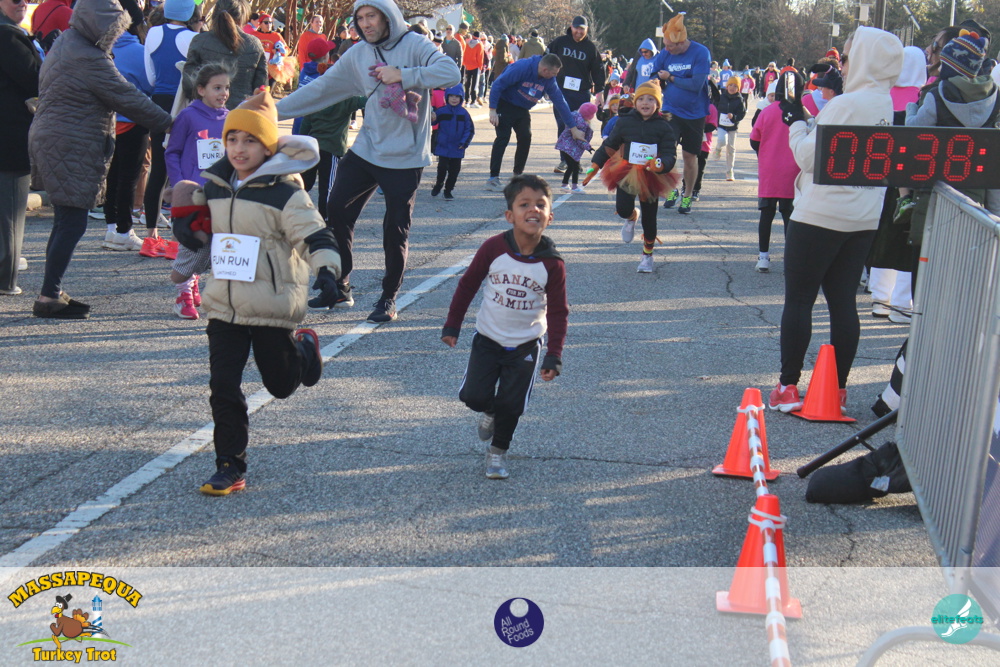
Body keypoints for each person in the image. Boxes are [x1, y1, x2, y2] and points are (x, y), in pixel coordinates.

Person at [275, 0, 460, 323]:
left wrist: (403, 74)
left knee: (395, 230)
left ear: (387, 17)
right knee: (337, 210)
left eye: (371, 16)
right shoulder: (358, 54)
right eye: (360, 18)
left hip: (405, 157)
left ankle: (388, 298)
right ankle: (341, 284)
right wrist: (270, 112)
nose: (365, 23)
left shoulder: (415, 44)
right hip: (367, 149)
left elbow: (450, 72)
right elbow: (321, 89)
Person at [197, 89, 342, 495]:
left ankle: (304, 351)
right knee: (223, 385)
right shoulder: (215, 184)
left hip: (271, 304)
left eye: (250, 140)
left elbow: (314, 234)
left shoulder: (286, 192)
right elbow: (195, 215)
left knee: (280, 384)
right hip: (224, 304)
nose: (239, 149)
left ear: (268, 146)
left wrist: (327, 271)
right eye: (232, 139)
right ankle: (230, 465)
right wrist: (184, 222)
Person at [767, 27, 904, 414]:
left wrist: (795, 122)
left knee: (799, 300)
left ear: (863, 60)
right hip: (863, 216)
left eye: (846, 57)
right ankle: (835, 390)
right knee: (843, 303)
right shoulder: (884, 101)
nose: (841, 65)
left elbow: (808, 157)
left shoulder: (847, 103)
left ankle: (788, 387)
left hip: (820, 214)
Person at [29, 0, 173, 319]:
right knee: (73, 221)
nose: (114, 36)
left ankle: (51, 290)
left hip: (55, 137)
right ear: (100, 25)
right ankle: (48, 296)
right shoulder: (88, 57)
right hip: (70, 142)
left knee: (65, 219)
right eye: (112, 30)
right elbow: (126, 95)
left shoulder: (67, 42)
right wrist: (170, 123)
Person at [441, 174, 568, 480]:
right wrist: (453, 325)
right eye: (524, 204)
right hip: (488, 338)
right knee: (473, 396)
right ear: (510, 215)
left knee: (512, 405)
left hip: (525, 345)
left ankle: (497, 452)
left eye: (541, 205)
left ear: (550, 217)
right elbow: (468, 284)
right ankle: (489, 411)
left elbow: (559, 312)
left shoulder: (552, 264)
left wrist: (554, 354)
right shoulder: (493, 248)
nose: (533, 210)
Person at [587, 80, 678, 273]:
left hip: (652, 175)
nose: (646, 103)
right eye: (642, 99)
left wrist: (661, 164)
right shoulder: (625, 122)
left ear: (658, 104)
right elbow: (610, 145)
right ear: (635, 102)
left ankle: (647, 255)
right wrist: (595, 165)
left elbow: (670, 153)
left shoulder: (664, 127)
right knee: (622, 209)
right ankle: (631, 217)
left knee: (650, 219)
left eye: (651, 99)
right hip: (627, 171)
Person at [163, 64, 229, 319]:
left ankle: (193, 282)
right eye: (217, 88)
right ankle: (182, 295)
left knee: (211, 243)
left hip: (218, 193)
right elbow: (172, 152)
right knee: (191, 243)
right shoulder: (188, 116)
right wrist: (180, 186)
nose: (223, 93)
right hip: (192, 194)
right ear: (201, 90)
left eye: (226, 88)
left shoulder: (230, 118)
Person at [143, 0, 200, 237]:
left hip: (158, 104)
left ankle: (151, 232)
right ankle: (183, 232)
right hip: (185, 104)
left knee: (158, 168)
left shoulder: (153, 33)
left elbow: (150, 78)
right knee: (185, 168)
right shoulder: (194, 38)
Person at [486, 53, 577, 190]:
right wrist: (492, 109)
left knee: (525, 137)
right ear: (545, 70)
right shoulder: (522, 67)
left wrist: (572, 127)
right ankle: (493, 179)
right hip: (504, 103)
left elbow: (560, 101)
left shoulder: (549, 80)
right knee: (503, 137)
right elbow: (498, 84)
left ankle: (517, 176)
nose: (555, 76)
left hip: (522, 108)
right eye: (554, 73)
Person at [102, 20, 155, 253]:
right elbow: (150, 84)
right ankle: (125, 231)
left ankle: (111, 228)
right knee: (129, 178)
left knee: (112, 176)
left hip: (108, 121)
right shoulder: (140, 52)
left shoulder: (102, 50)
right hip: (134, 120)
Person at [1, 0, 42, 297]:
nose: (23, 3)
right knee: (10, 213)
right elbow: (37, 81)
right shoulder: (8, 36)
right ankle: (6, 278)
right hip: (10, 138)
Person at [653, 13, 711, 214]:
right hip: (671, 109)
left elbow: (696, 84)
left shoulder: (700, 53)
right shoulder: (666, 53)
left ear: (681, 43)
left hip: (695, 113)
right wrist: (656, 81)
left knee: (689, 156)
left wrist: (671, 77)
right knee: (666, 151)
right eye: (665, 45)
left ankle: (687, 195)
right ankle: (671, 189)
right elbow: (654, 71)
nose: (667, 49)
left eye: (670, 46)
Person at [749, 76, 798, 273]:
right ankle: (791, 258)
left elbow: (754, 139)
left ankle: (763, 256)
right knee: (789, 216)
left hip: (769, 168)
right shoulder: (798, 112)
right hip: (792, 169)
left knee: (766, 214)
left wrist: (764, 152)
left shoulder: (767, 111)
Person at [546, 16, 604, 173]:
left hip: (581, 93)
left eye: (582, 29)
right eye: (576, 28)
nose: (579, 31)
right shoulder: (560, 42)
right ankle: (564, 160)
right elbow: (546, 58)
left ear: (586, 30)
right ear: (571, 27)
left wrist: (600, 91)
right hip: (560, 91)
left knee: (580, 126)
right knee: (563, 124)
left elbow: (598, 70)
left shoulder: (590, 48)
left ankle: (575, 160)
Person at [184, 0, 267, 110]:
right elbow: (261, 87)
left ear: (215, 14)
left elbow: (189, 82)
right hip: (242, 112)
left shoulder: (200, 41)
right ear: (242, 17)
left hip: (205, 111)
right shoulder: (254, 44)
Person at [430, 84, 474, 201]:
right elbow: (432, 122)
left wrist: (464, 143)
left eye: (457, 96)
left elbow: (469, 130)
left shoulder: (464, 113)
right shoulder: (441, 111)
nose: (454, 99)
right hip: (443, 146)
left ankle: (448, 190)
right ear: (447, 97)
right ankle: (439, 184)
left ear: (461, 98)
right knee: (442, 168)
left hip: (457, 147)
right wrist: (432, 115)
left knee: (454, 171)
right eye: (451, 96)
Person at [555, 101, 596, 192]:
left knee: (570, 166)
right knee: (575, 167)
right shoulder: (582, 125)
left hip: (564, 146)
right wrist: (588, 147)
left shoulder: (574, 117)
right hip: (572, 149)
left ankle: (565, 184)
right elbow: (579, 139)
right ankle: (574, 186)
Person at [713, 76, 745, 181]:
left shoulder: (740, 99)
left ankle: (729, 171)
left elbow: (742, 114)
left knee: (731, 149)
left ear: (738, 88)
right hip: (721, 125)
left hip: (732, 127)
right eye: (730, 85)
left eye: (735, 86)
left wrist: (734, 117)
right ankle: (718, 149)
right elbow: (715, 107)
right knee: (722, 140)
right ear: (727, 86)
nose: (732, 88)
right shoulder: (721, 97)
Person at [462, 30, 484, 106]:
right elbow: (480, 57)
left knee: (467, 83)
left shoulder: (467, 43)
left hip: (468, 66)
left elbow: (464, 54)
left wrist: (464, 63)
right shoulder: (479, 45)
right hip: (476, 66)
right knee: (474, 84)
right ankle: (473, 101)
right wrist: (480, 67)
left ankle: (466, 100)